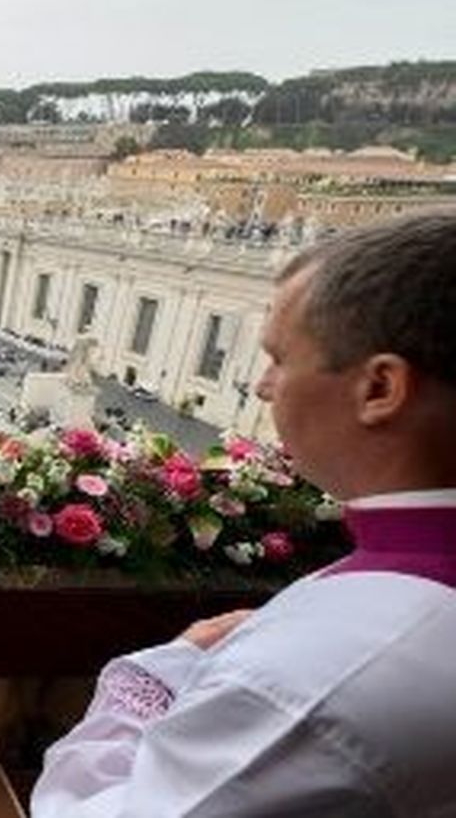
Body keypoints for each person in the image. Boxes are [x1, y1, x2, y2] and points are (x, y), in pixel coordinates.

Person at [32, 211, 456, 816]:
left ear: (379, 389)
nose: (262, 386)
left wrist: (150, 681)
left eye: (279, 358)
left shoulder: (319, 676)